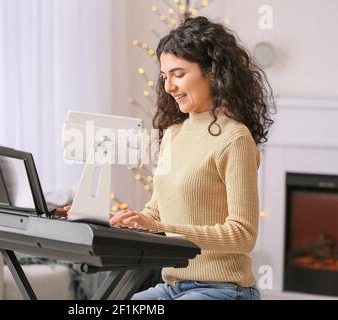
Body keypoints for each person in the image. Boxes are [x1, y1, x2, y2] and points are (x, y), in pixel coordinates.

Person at [106, 16, 274, 300]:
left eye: (179, 74)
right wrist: (119, 220)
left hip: (223, 288)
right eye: (164, 76)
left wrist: (160, 228)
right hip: (172, 286)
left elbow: (244, 235)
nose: (169, 86)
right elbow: (156, 213)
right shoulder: (173, 133)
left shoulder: (235, 138)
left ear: (211, 71)